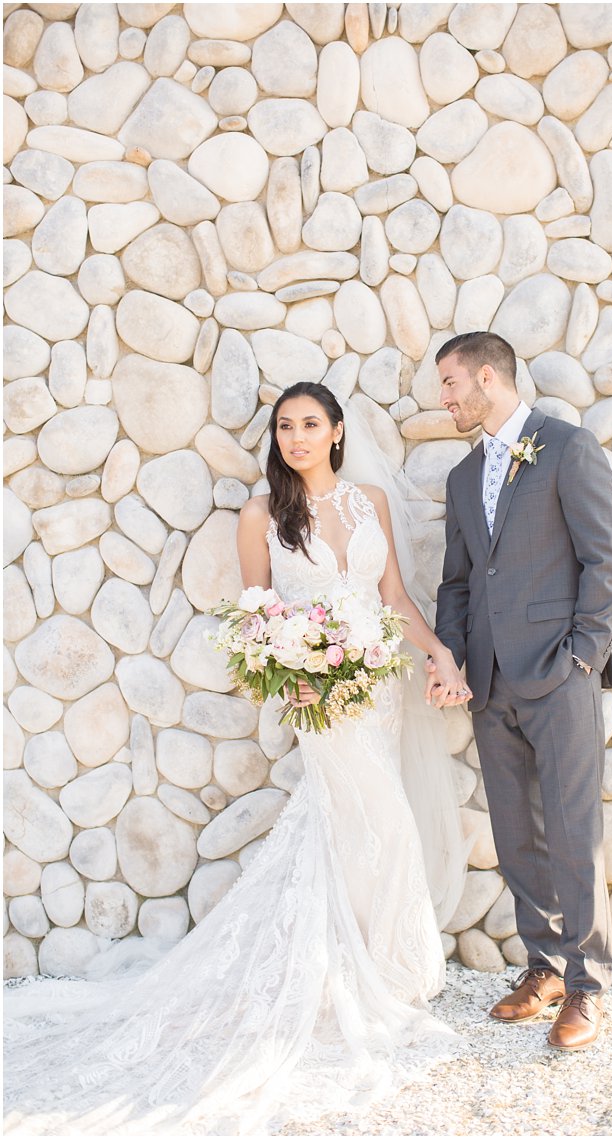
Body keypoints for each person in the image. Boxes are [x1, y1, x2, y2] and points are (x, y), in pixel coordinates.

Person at [3, 381, 470, 1134]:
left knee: (358, 823)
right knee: (378, 817)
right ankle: (375, 971)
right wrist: (299, 670)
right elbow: (259, 614)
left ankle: (362, 965)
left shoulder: (370, 504)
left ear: (338, 431)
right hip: (317, 695)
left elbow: (393, 599)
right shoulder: (262, 514)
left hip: (375, 689)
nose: (296, 437)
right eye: (285, 426)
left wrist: (441, 655)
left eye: (310, 424)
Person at [430, 331, 612, 1052]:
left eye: (450, 383)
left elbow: (605, 559)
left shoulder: (567, 447)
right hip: (488, 679)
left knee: (576, 831)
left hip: (559, 673)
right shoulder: (460, 476)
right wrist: (454, 661)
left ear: (488, 376)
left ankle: (587, 983)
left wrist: (582, 655)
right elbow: (457, 581)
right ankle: (541, 967)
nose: (443, 397)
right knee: (517, 832)